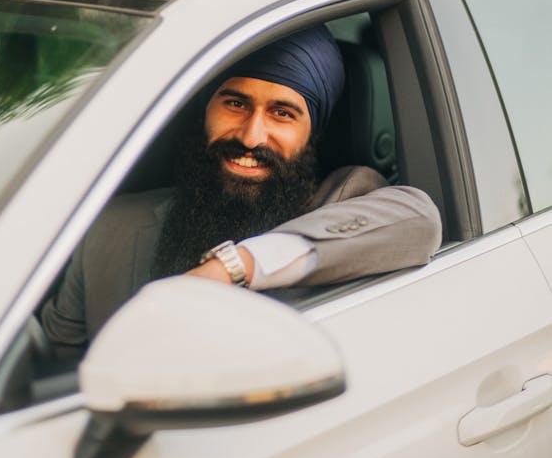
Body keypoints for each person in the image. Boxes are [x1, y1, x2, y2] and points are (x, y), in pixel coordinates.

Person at [42, 25, 442, 359]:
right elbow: (56, 370)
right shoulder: (110, 228)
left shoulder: (346, 198)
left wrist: (231, 268)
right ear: (205, 109)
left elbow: (419, 220)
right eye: (235, 103)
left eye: (282, 113)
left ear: (312, 133)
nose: (251, 137)